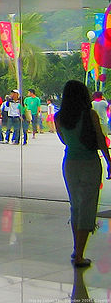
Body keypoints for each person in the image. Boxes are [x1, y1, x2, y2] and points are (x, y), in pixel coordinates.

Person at [55, 80, 111, 268]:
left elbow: (64, 141)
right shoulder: (90, 114)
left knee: (76, 207)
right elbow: (101, 140)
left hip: (70, 164)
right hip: (90, 163)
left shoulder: (59, 117)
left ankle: (76, 248)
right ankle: (79, 255)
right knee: (87, 207)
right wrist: (109, 161)